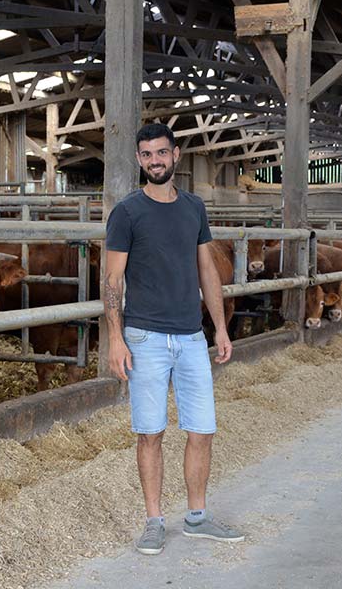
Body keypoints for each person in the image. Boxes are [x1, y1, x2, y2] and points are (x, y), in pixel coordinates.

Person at [104, 123, 244, 556]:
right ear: (140, 160)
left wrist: (219, 327)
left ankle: (198, 517)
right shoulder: (127, 213)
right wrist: (115, 338)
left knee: (202, 429)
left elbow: (207, 271)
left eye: (161, 153)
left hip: (189, 337)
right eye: (146, 155)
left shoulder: (193, 208)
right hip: (144, 336)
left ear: (176, 154)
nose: (155, 161)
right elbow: (112, 281)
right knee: (151, 432)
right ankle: (154, 521)